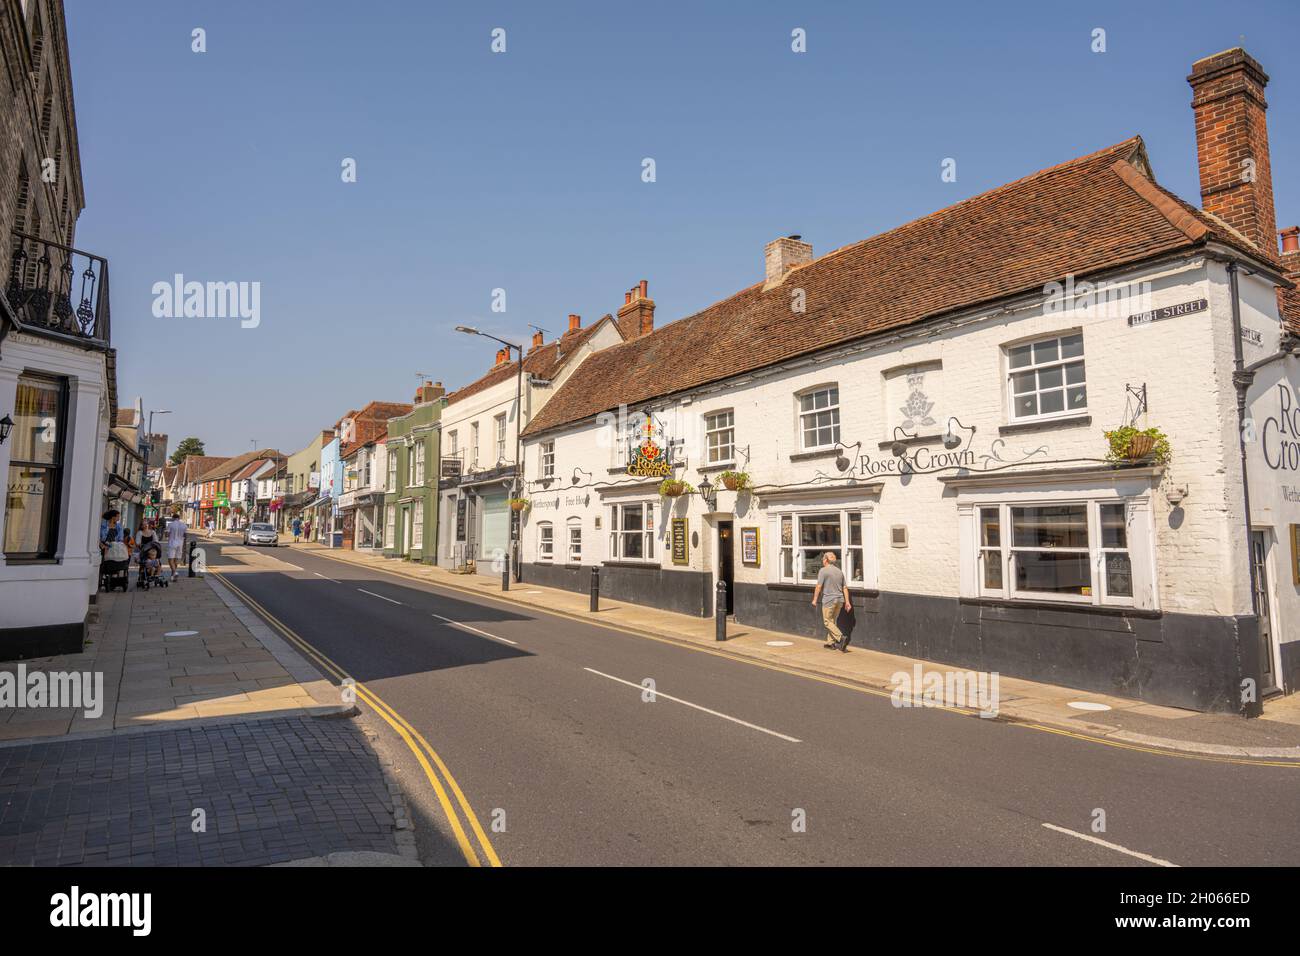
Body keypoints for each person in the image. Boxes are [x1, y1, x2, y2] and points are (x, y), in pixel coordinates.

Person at [811, 551, 851, 652]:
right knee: (832, 621)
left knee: (827, 621)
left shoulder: (823, 571)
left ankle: (840, 638)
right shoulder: (839, 571)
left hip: (829, 600)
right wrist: (847, 602)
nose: (822, 561)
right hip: (840, 600)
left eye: (823, 559)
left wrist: (815, 599)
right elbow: (845, 588)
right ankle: (831, 643)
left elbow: (819, 586)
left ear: (825, 560)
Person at [165, 509, 188, 581]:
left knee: (170, 559)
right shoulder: (184, 525)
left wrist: (167, 533)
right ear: (179, 518)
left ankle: (174, 572)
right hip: (180, 543)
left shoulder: (170, 524)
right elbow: (186, 535)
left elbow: (167, 534)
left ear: (173, 518)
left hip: (172, 543)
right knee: (176, 560)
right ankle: (173, 576)